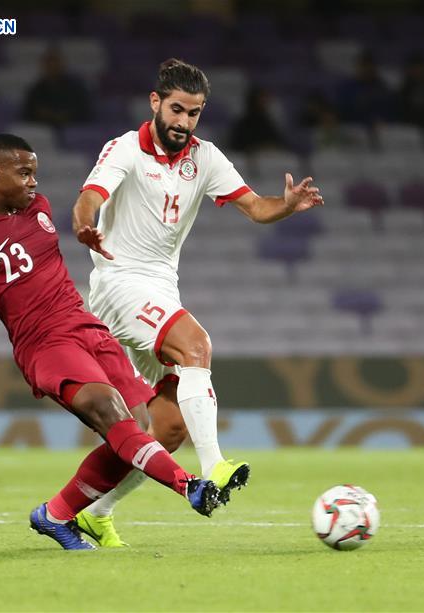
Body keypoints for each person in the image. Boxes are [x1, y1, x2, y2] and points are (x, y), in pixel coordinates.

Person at [71, 59, 323, 546]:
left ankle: (94, 514)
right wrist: (85, 224)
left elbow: (255, 207)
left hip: (162, 289)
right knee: (197, 344)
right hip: (119, 283)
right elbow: (90, 196)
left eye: (195, 113)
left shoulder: (204, 158)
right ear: (155, 102)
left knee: (167, 427)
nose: (184, 122)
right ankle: (216, 467)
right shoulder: (125, 148)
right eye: (177, 110)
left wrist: (286, 205)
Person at [0, 134, 222, 550]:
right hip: (45, 345)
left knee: (140, 429)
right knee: (110, 413)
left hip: (86, 327)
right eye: (24, 173)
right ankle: (189, 487)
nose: (34, 183)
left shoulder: (39, 209)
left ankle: (55, 514)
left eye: (35, 173)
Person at [22, 47, 92, 129]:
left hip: (73, 128)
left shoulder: (76, 88)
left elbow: (85, 112)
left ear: (63, 64)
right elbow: (27, 114)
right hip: (43, 130)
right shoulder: (36, 89)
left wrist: (65, 115)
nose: (53, 67)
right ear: (43, 66)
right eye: (49, 63)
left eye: (55, 63)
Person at [229, 86, 288, 153]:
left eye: (265, 99)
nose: (264, 102)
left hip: (268, 158)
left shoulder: (268, 123)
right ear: (253, 100)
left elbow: (278, 143)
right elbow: (238, 146)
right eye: (262, 99)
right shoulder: (243, 124)